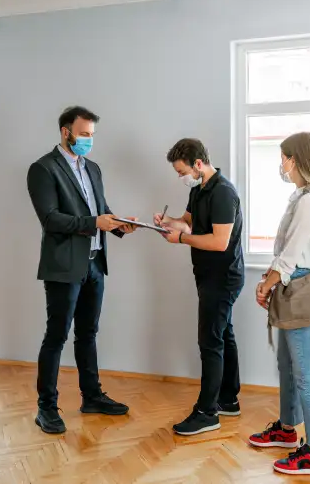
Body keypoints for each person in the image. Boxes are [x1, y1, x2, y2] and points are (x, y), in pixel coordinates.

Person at [26, 105, 137, 434]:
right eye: (85, 134)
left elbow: (101, 210)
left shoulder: (93, 168)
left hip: (94, 265)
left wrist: (119, 226)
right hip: (63, 267)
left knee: (88, 334)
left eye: (92, 135)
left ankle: (92, 396)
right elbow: (50, 218)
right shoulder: (42, 169)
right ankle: (46, 407)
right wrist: (94, 222)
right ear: (66, 132)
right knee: (56, 337)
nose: (89, 141)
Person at [248, 132, 310, 476]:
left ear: (295, 159)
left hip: (300, 290)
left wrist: (267, 284)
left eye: (283, 157)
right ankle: (288, 429)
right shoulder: (300, 197)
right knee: (287, 366)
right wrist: (269, 282)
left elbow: (290, 256)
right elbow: (285, 252)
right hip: (291, 287)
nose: (281, 164)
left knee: (305, 376)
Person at [154, 138, 245, 436]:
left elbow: (219, 242)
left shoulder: (224, 193)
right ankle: (228, 399)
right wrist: (169, 222)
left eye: (181, 172)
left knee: (210, 341)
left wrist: (180, 239)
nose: (180, 178)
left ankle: (207, 413)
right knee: (223, 334)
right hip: (206, 275)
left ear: (198, 164)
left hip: (223, 277)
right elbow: (189, 223)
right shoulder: (200, 189)